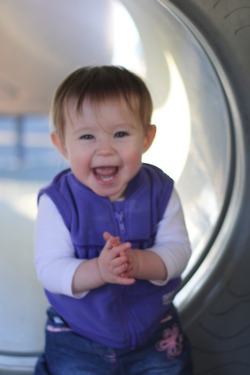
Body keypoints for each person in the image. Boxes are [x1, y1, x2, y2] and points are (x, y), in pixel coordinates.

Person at [34, 65, 193, 374]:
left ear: (147, 138)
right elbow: (50, 268)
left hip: (155, 333)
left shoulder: (160, 192)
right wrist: (99, 270)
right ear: (62, 144)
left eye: (121, 134)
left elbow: (179, 250)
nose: (105, 149)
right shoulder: (58, 202)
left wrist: (139, 262)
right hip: (76, 336)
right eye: (87, 136)